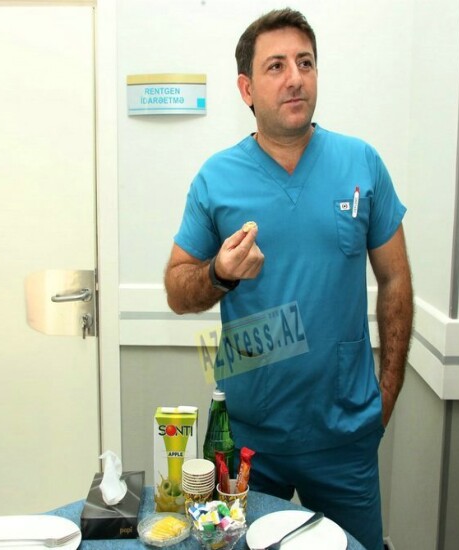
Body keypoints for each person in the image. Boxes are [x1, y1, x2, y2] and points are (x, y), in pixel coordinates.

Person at [164, 8, 413, 549]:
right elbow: (178, 290)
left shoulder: (361, 163)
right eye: (275, 66)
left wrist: (387, 393)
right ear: (246, 89)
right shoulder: (216, 178)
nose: (295, 77)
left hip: (345, 435)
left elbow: (396, 280)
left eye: (305, 63)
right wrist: (219, 274)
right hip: (250, 438)